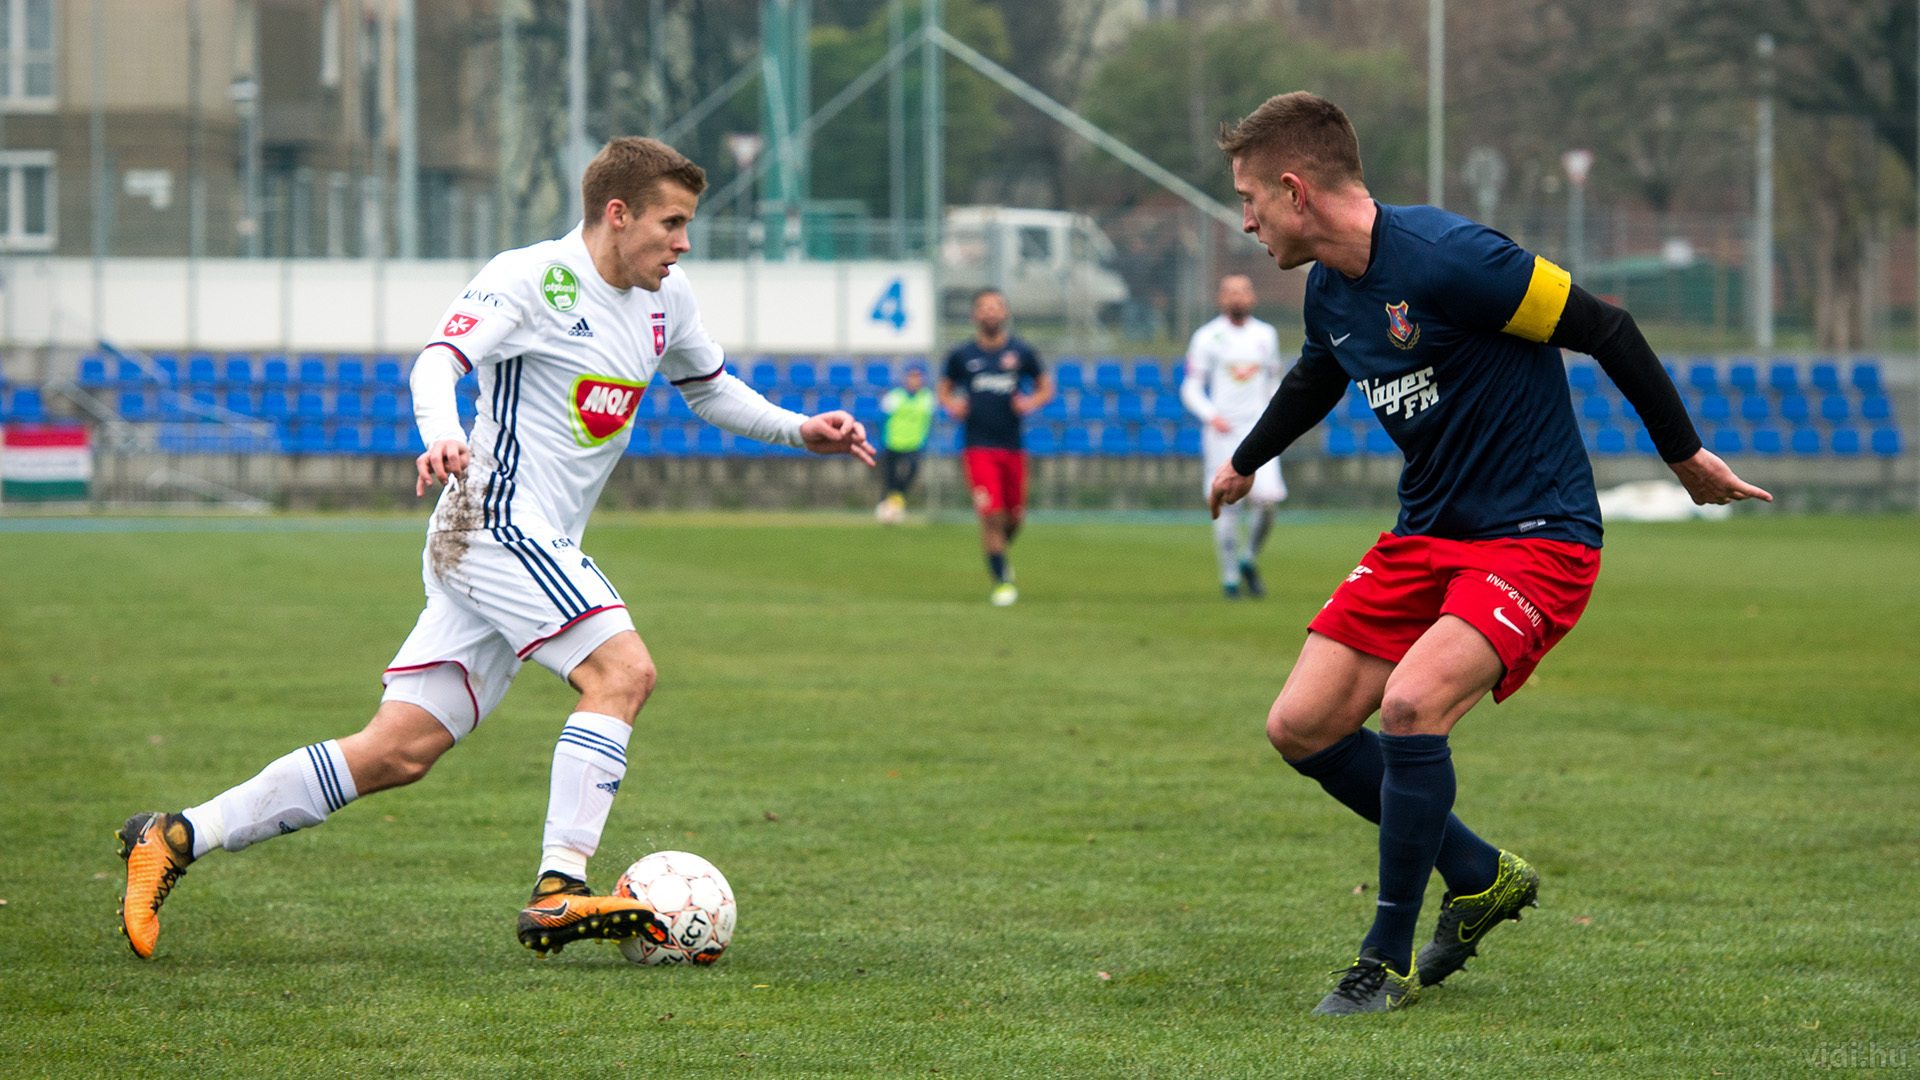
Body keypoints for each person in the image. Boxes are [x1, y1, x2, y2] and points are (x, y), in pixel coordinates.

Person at [116, 137, 874, 961]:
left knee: (396, 752)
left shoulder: (668, 298)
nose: (682, 242)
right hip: (493, 520)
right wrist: (442, 435)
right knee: (623, 673)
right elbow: (439, 361)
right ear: (617, 215)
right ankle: (560, 888)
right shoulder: (530, 278)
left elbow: (708, 387)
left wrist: (801, 429)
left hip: (511, 541)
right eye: (671, 223)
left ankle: (176, 836)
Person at [1208, 93, 1770, 1014]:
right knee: (1299, 726)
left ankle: (1382, 958)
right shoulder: (1329, 288)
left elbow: (1608, 329)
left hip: (1535, 532)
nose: (1244, 218)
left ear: (1295, 189)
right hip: (1426, 533)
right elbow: (1319, 372)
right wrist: (1245, 460)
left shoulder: (1457, 259)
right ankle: (1479, 877)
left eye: (1248, 198)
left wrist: (1685, 458)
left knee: (1412, 704)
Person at [939, 289, 1053, 606]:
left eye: (996, 307)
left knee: (1014, 518)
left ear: (1005, 313)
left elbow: (1045, 386)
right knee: (991, 515)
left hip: (1013, 447)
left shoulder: (1021, 352)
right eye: (984, 307)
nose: (990, 312)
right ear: (975, 315)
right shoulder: (961, 355)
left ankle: (998, 552)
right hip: (977, 447)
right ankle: (1002, 580)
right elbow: (944, 388)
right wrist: (951, 403)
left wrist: (1031, 402)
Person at [1181, 274, 1288, 600]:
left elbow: (1274, 380)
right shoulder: (1206, 337)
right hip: (1222, 431)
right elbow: (1191, 386)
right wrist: (1211, 415)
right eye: (1229, 292)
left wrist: (1275, 417)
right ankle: (1229, 579)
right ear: (1220, 299)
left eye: (1243, 290)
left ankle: (1247, 559)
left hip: (1259, 431)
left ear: (1252, 297)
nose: (1237, 297)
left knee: (1268, 502)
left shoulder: (1266, 335)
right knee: (1227, 504)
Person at [874, 366, 935, 524]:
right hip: (893, 442)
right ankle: (888, 508)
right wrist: (883, 439)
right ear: (906, 379)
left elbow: (929, 421)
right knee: (890, 477)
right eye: (912, 377)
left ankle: (896, 501)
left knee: (912, 471)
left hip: (914, 444)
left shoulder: (927, 398)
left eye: (918, 378)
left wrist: (925, 440)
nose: (914, 381)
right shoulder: (894, 396)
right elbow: (882, 418)